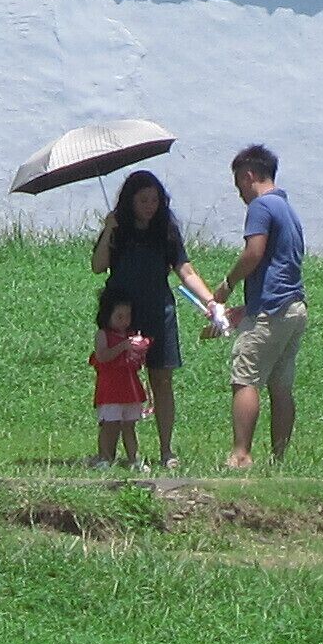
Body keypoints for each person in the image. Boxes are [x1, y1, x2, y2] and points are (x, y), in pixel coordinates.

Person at [93, 168, 231, 467]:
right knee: (117, 377)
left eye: (154, 200)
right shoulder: (118, 228)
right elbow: (98, 265)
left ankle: (166, 449)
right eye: (143, 200)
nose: (149, 206)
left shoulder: (165, 227)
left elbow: (185, 268)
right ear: (130, 201)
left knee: (162, 377)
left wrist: (210, 301)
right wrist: (108, 231)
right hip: (123, 314)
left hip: (158, 308)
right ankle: (113, 451)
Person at [219, 144, 307, 470]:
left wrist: (227, 285)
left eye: (239, 184)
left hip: (271, 312)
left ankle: (241, 454)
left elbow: (253, 254)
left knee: (246, 379)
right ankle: (279, 459)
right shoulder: (288, 209)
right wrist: (247, 307)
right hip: (293, 307)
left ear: (249, 175)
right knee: (281, 386)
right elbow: (279, 266)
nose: (240, 193)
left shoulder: (260, 207)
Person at [90, 284, 155, 468]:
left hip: (129, 388)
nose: (124, 321)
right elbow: (102, 356)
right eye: (119, 316)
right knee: (110, 424)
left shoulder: (131, 335)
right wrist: (123, 346)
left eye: (127, 316)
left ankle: (134, 458)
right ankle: (104, 457)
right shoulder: (103, 335)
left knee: (129, 425)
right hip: (110, 388)